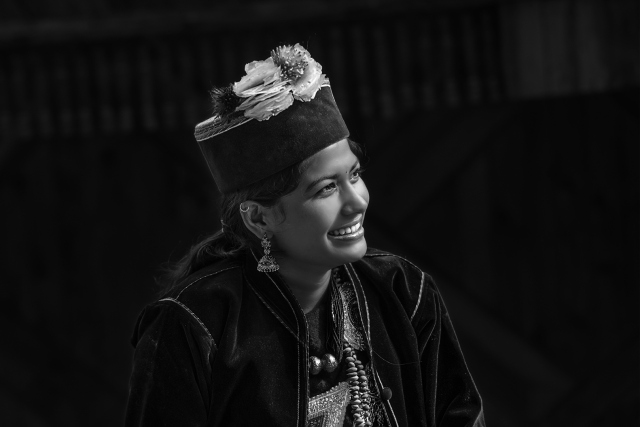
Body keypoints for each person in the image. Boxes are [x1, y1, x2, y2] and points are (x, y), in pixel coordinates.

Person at [125, 43, 485, 427]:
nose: (357, 201)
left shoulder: (403, 291)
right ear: (260, 219)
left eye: (354, 175)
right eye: (326, 188)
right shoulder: (192, 323)